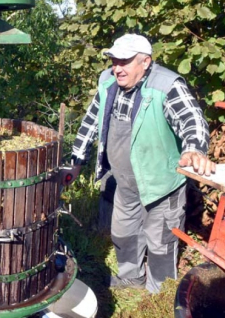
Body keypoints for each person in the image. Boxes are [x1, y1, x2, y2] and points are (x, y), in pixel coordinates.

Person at [65, 34, 216, 294]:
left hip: (161, 184)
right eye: (114, 60)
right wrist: (77, 160)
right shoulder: (108, 82)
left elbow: (193, 120)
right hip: (125, 182)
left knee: (161, 243)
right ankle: (130, 278)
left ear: (145, 62)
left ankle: (159, 292)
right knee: (123, 234)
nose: (117, 67)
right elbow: (91, 121)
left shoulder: (167, 85)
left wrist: (193, 149)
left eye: (125, 61)